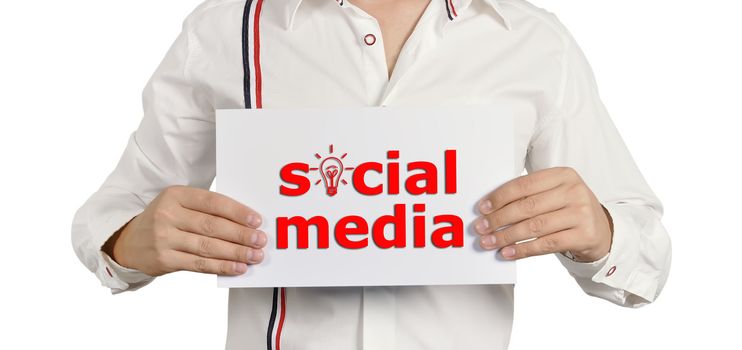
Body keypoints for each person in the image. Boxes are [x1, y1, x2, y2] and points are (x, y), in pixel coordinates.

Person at [71, 0, 672, 348]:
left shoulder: (535, 42)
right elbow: (114, 213)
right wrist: (131, 243)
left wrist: (600, 231)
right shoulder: (228, 29)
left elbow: (645, 259)